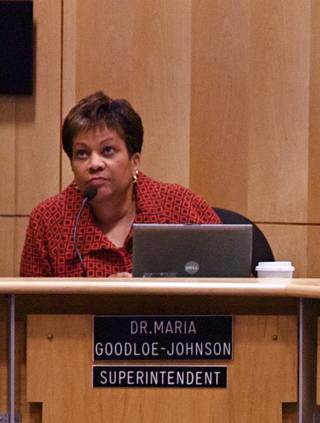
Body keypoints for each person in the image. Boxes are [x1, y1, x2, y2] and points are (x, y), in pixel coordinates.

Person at [20, 91, 221, 277]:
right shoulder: (48, 221)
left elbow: (237, 287)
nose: (94, 164)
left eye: (107, 150)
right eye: (82, 153)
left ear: (135, 161)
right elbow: (26, 310)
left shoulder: (178, 206)